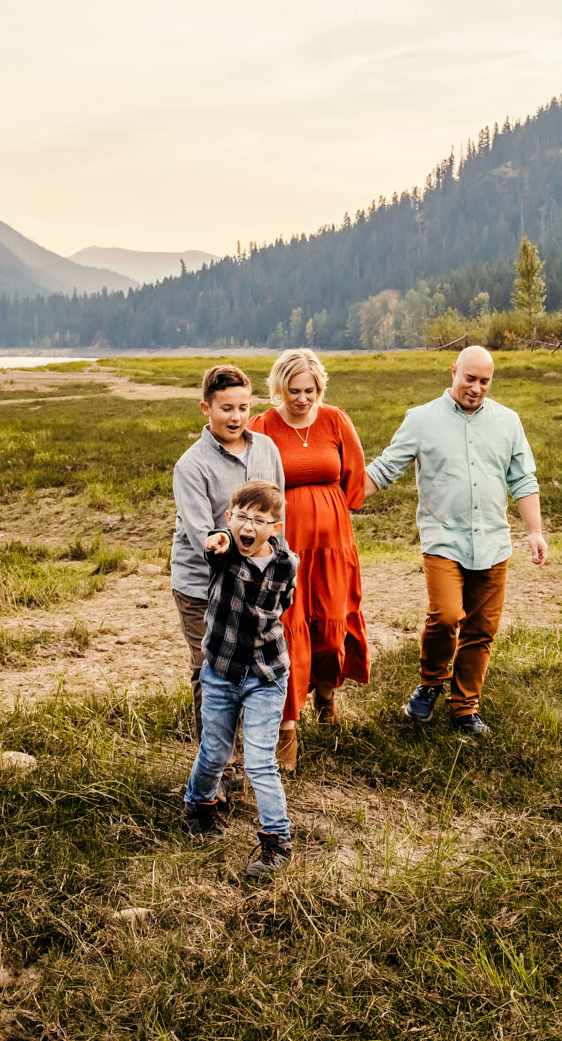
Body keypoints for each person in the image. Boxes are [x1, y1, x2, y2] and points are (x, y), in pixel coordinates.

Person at [365, 345, 545, 737]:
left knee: (481, 630)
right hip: (443, 539)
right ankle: (430, 683)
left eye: (484, 381)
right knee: (446, 617)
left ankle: (465, 708)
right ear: (453, 371)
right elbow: (384, 469)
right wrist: (336, 498)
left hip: (494, 542)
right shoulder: (421, 419)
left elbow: (523, 480)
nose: (476, 388)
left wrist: (534, 531)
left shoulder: (508, 422)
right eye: (470, 378)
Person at [247, 348, 369, 771]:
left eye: (310, 390)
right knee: (288, 627)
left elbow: (354, 471)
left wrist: (337, 509)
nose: (303, 399)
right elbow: (249, 480)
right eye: (294, 391)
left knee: (332, 627)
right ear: (280, 388)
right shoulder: (262, 425)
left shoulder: (334, 419)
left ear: (320, 388)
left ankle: (327, 696)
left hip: (334, 543)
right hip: (286, 544)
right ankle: (288, 726)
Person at [170, 364, 284, 792]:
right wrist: (225, 541)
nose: (235, 417)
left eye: (242, 407)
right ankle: (218, 766)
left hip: (255, 584)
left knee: (248, 666)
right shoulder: (192, 465)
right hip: (202, 587)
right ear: (206, 408)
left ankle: (248, 755)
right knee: (209, 669)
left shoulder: (267, 450)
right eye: (225, 408)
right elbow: (206, 535)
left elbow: (277, 518)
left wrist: (275, 569)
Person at [181, 480, 297, 878]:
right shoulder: (225, 553)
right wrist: (216, 539)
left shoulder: (287, 564)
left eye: (260, 520)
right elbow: (214, 545)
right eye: (242, 518)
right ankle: (198, 805)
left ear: (276, 527)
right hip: (221, 672)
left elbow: (285, 601)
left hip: (266, 673)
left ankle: (276, 841)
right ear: (230, 519)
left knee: (261, 762)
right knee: (214, 752)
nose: (249, 526)